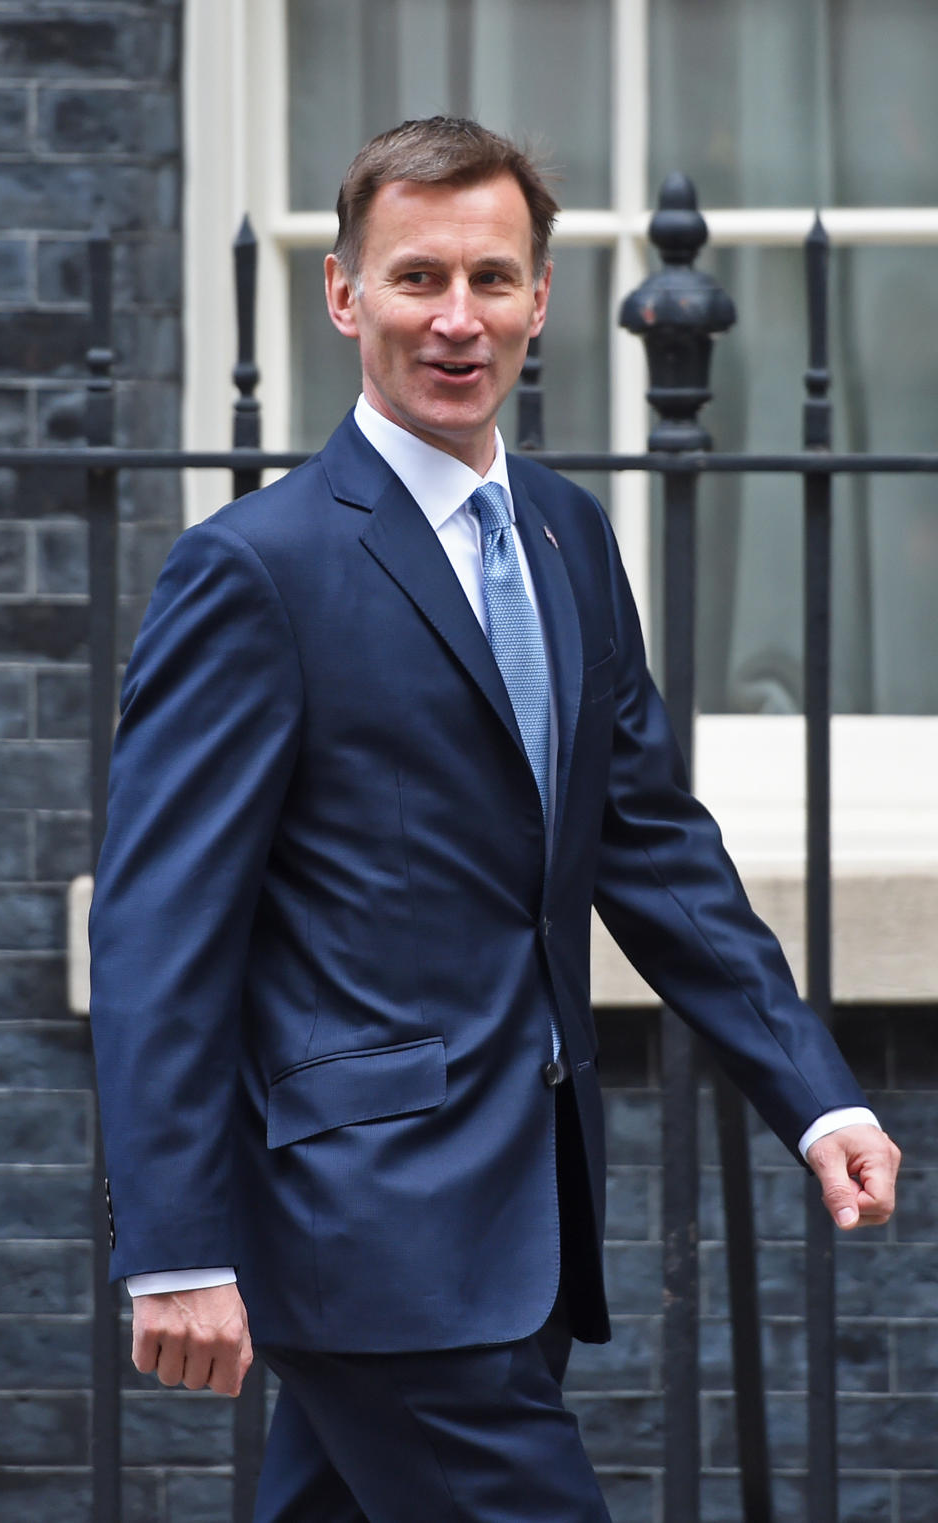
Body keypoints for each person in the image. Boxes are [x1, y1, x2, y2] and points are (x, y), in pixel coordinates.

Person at [89, 116, 900, 1523]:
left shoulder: (569, 539)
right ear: (344, 296)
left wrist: (814, 1087)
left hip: (525, 1208)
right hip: (368, 1228)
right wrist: (172, 1244)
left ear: (541, 298)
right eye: (416, 280)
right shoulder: (253, 571)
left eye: (491, 280)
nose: (456, 320)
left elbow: (649, 847)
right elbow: (161, 929)